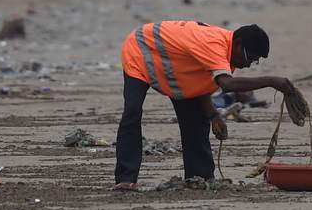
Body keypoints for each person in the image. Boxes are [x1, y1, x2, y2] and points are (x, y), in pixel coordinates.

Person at [114, 22, 287, 190]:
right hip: (140, 48)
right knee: (132, 112)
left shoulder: (226, 52)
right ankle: (125, 179)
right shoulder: (214, 44)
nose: (249, 64)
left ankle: (199, 177)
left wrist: (213, 115)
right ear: (238, 43)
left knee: (196, 120)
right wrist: (271, 81)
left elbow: (200, 86)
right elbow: (227, 84)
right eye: (250, 58)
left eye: (255, 61)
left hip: (174, 64)